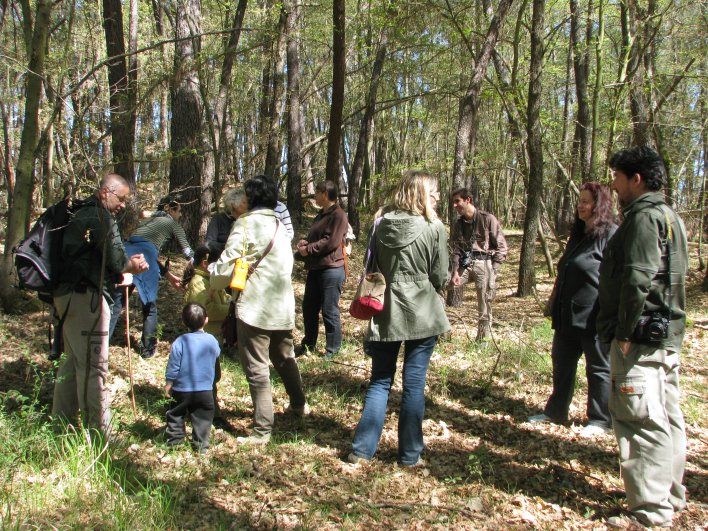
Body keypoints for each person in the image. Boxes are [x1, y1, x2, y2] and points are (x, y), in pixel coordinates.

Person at [597, 146, 689, 529]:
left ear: (636, 179)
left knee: (640, 420)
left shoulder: (644, 220)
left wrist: (625, 332)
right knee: (666, 416)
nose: (614, 185)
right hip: (664, 336)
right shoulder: (670, 217)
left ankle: (651, 512)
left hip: (642, 338)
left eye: (618, 177)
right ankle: (670, 496)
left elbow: (638, 278)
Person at [348, 171, 450, 466]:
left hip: (386, 311)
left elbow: (372, 265)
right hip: (423, 312)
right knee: (414, 385)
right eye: (435, 191)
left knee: (380, 381)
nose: (439, 197)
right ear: (422, 193)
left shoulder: (380, 225)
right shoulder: (434, 227)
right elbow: (440, 275)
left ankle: (361, 451)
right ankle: (409, 455)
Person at [210, 175, 308, 445]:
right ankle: (299, 404)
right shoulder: (279, 225)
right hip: (282, 306)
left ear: (249, 199)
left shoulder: (245, 224)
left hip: (254, 306)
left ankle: (262, 431)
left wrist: (213, 279)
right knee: (285, 357)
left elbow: (227, 264)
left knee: (256, 368)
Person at [51, 173, 149, 437]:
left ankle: (62, 428)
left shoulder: (84, 213)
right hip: (87, 300)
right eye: (121, 198)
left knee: (73, 363)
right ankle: (101, 436)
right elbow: (117, 261)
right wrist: (135, 266)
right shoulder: (99, 217)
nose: (123, 205)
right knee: (94, 367)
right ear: (106, 192)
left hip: (71, 296)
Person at [528, 182, 617, 437]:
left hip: (595, 317)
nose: (581, 205)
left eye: (586, 201)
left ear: (599, 205)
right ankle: (556, 412)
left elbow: (615, 278)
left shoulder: (610, 234)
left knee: (598, 368)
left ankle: (600, 420)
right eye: (579, 200)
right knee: (562, 364)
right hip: (567, 315)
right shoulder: (578, 234)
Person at [108, 195, 194, 359]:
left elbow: (145, 251)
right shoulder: (171, 223)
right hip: (143, 258)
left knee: (117, 303)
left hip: (125, 254)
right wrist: (202, 266)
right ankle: (148, 349)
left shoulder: (145, 223)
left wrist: (168, 276)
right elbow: (187, 251)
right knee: (149, 305)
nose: (180, 215)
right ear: (170, 210)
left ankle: (101, 345)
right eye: (179, 211)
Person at [295, 180, 349, 358]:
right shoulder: (320, 215)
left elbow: (330, 242)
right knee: (309, 307)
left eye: (317, 192)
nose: (315, 196)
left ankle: (332, 349)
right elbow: (318, 238)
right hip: (316, 268)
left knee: (329, 309)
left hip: (332, 269)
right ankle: (308, 343)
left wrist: (308, 250)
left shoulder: (338, 215)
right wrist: (305, 244)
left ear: (325, 194)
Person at [448, 187, 508, 341]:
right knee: (442, 284)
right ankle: (442, 331)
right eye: (453, 202)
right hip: (464, 265)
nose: (454, 205)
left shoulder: (487, 219)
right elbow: (456, 250)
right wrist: (455, 271)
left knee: (485, 301)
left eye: (457, 201)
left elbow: (502, 246)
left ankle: (483, 339)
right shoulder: (458, 224)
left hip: (484, 262)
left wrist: (494, 269)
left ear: (468, 200)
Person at [164, 303, 221, 453]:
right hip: (204, 390)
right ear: (206, 320)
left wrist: (169, 382)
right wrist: (214, 380)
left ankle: (175, 442)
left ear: (184, 322)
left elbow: (173, 365)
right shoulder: (212, 340)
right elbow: (215, 359)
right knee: (203, 417)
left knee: (176, 413)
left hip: (182, 388)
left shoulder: (180, 341)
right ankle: (201, 446)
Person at [183, 245, 230, 417]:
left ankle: (206, 409)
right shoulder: (199, 283)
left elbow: (223, 297)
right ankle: (208, 412)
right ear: (205, 263)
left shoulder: (210, 279)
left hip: (212, 337)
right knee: (207, 377)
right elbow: (205, 310)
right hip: (203, 340)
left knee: (212, 376)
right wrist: (229, 311)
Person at [206, 187, 248, 258]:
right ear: (233, 204)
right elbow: (209, 243)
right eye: (244, 202)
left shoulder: (248, 220)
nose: (248, 205)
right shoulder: (219, 219)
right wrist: (229, 246)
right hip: (219, 261)